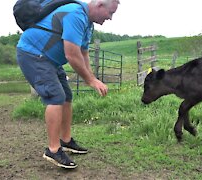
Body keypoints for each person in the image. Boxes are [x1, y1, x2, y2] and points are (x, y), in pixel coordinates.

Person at [16, 0, 120, 169]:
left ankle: (65, 140)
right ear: (100, 5)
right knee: (56, 96)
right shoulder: (75, 14)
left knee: (66, 96)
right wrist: (90, 80)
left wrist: (92, 78)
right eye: (111, 13)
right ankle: (53, 149)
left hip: (50, 60)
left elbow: (83, 53)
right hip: (33, 54)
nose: (110, 18)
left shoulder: (88, 24)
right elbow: (71, 54)